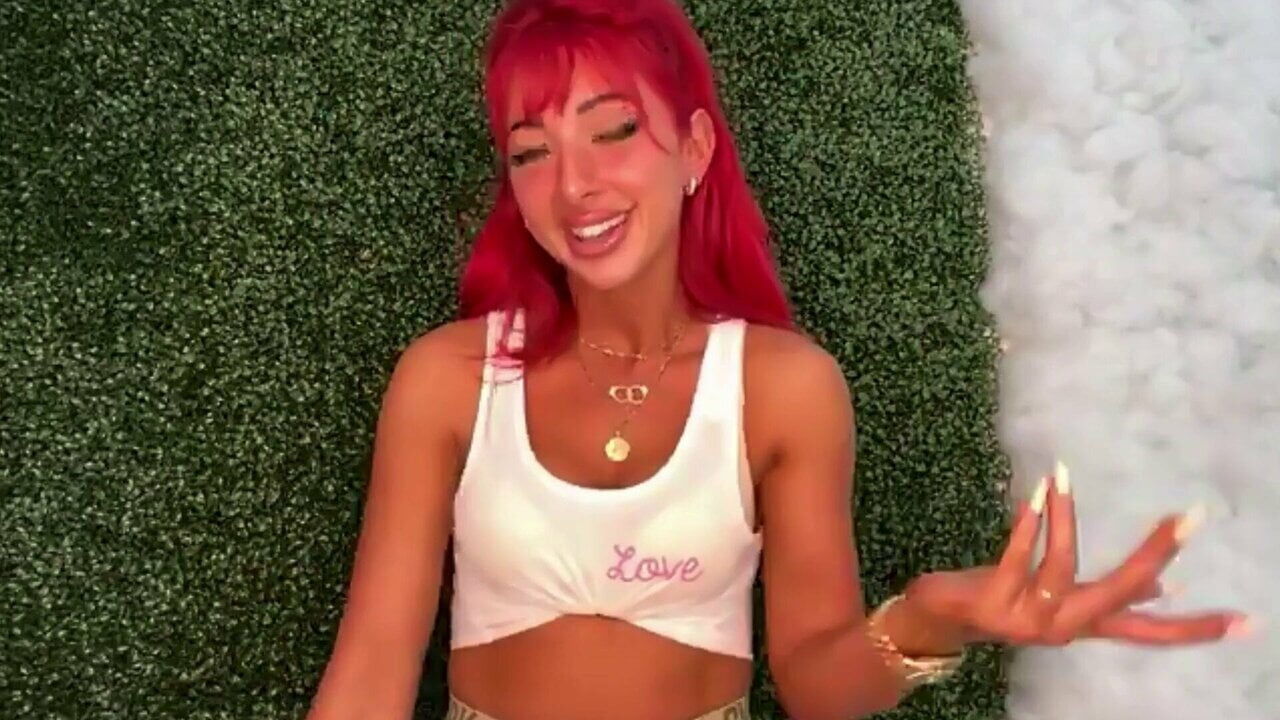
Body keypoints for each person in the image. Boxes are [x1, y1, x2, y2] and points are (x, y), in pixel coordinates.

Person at [305, 1, 1250, 718]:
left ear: (694, 148)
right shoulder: (447, 380)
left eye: (614, 129)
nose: (575, 182)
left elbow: (817, 683)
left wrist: (930, 617)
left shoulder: (784, 389)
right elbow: (373, 669)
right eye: (531, 152)